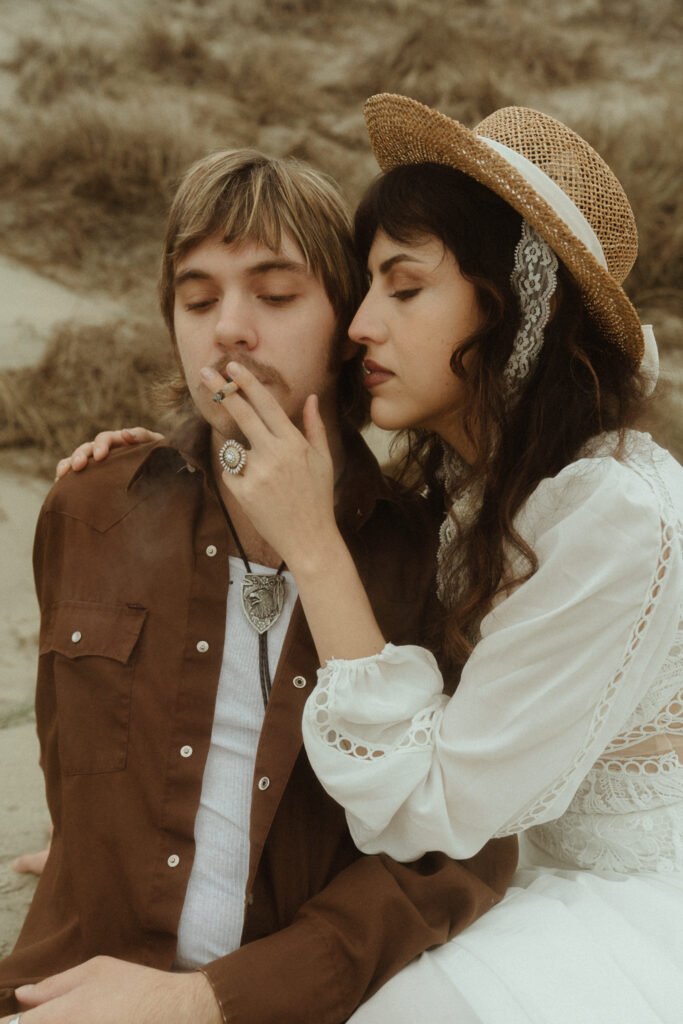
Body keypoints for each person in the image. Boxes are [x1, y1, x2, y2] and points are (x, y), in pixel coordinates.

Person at [152, 98, 680, 1022]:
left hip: (629, 896)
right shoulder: (482, 493)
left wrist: (313, 543)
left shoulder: (612, 517)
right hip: (489, 864)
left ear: (513, 308)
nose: (359, 325)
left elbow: (435, 800)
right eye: (362, 290)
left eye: (404, 287)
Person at [0, 147, 517, 1024]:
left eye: (275, 296)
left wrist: (211, 998)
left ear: (346, 322)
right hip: (68, 990)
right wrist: (94, 842)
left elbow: (455, 859)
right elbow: (69, 754)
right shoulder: (90, 507)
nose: (229, 328)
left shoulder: (429, 558)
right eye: (197, 300)